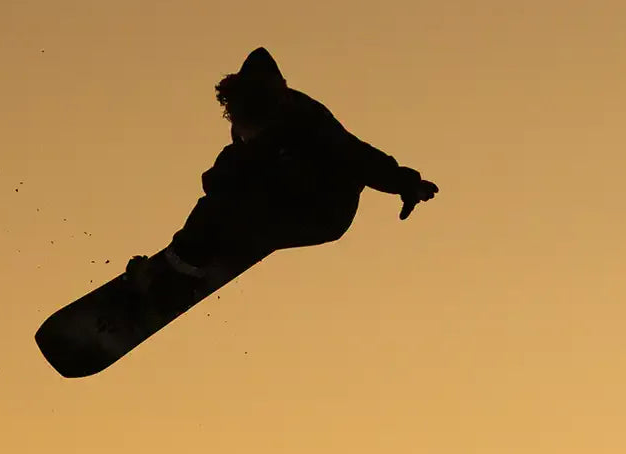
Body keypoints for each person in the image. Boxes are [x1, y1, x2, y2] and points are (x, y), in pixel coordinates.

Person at [128, 48, 438, 289]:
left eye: (251, 125)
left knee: (228, 197)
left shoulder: (310, 124)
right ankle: (191, 258)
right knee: (225, 180)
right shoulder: (246, 129)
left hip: (325, 208)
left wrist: (406, 183)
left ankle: (181, 268)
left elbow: (359, 156)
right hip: (284, 195)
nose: (244, 130)